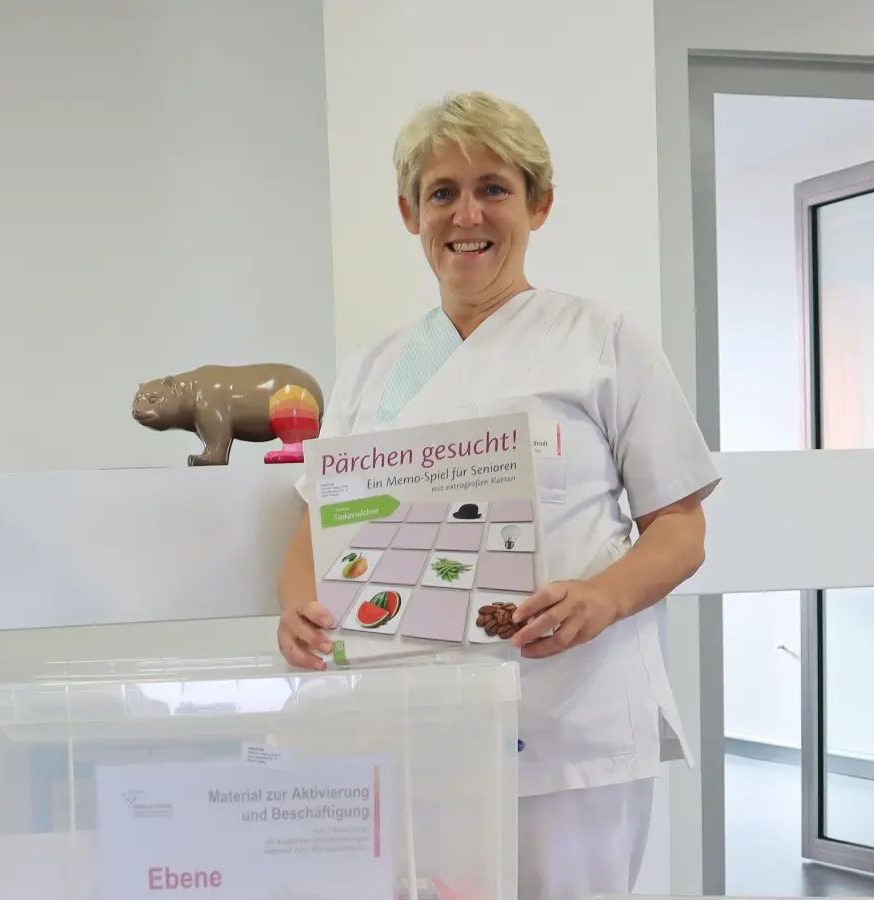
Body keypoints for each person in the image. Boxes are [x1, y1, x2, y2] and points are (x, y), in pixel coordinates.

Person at [276, 91, 719, 900]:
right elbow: (315, 523)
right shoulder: (370, 370)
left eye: (493, 188)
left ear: (538, 203)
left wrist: (602, 598)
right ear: (412, 214)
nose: (466, 213)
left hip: (566, 723)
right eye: (441, 192)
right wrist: (299, 610)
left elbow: (681, 526)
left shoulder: (600, 340)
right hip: (415, 725)